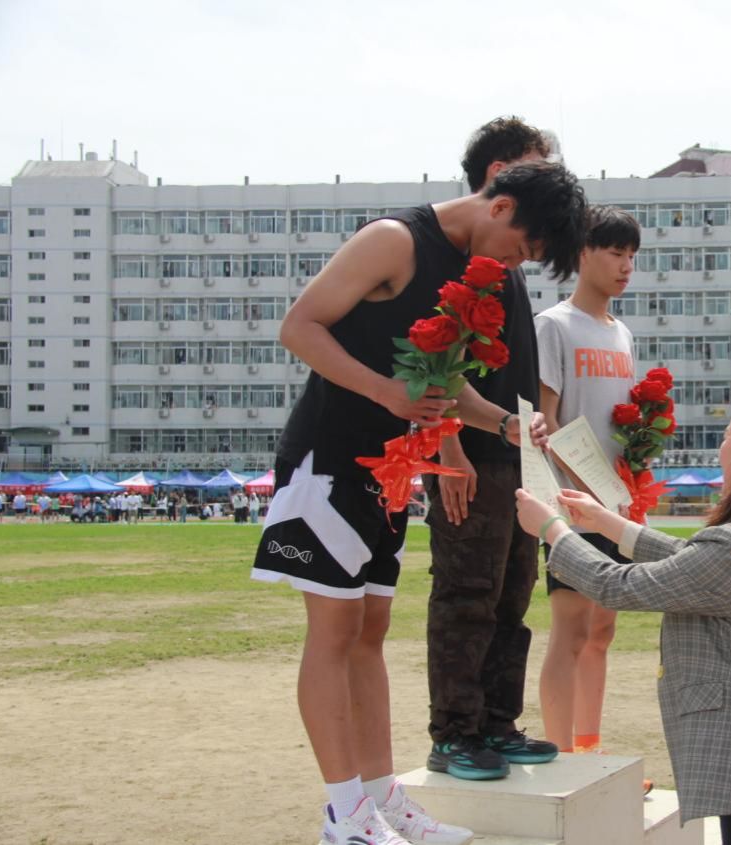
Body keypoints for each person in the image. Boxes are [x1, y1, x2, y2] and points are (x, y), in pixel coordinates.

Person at [250, 143, 585, 844]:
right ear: (499, 204)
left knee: (370, 632)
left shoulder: (469, 270)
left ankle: (381, 798)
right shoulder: (394, 240)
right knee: (334, 632)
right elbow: (299, 326)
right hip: (328, 460)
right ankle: (344, 814)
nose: (515, 265)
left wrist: (508, 424)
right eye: (521, 249)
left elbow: (443, 384)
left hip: (391, 470)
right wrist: (384, 392)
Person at [516, 387, 731, 844]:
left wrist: (552, 529)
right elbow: (693, 561)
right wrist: (608, 522)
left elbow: (617, 585)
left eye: (727, 436)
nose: (721, 449)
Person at [423, 117, 571, 783]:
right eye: (539, 168)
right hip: (470, 457)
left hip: (514, 455)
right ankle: (455, 731)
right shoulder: (452, 254)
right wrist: (449, 451)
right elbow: (433, 366)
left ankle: (496, 723)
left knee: (513, 593)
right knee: (468, 594)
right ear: (500, 175)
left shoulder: (504, 263)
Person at [534, 205, 640, 757]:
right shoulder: (553, 325)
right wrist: (588, 489)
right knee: (571, 631)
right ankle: (559, 756)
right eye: (615, 252)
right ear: (582, 253)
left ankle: (589, 750)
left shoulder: (623, 334)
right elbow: (546, 420)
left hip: (618, 505)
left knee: (602, 632)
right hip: (574, 507)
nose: (626, 266)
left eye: (632, 256)